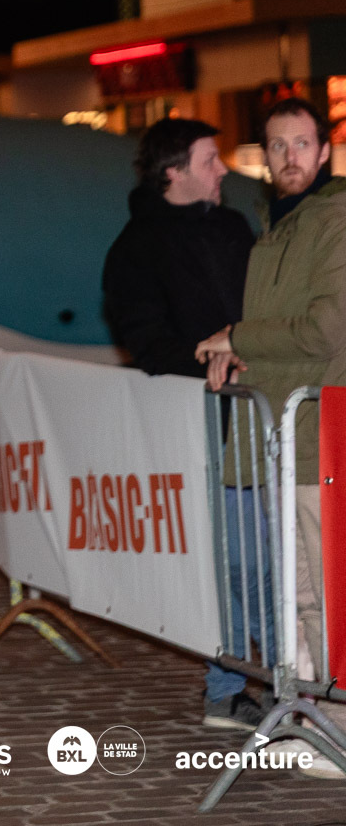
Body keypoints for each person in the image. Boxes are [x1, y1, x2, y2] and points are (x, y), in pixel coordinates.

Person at [198, 96, 346, 778]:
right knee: (303, 595)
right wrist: (242, 354)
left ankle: (339, 728)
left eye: (302, 144)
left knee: (329, 593)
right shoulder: (277, 226)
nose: (289, 157)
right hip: (285, 435)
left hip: (322, 435)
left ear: (325, 152)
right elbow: (285, 329)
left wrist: (239, 337)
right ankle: (318, 721)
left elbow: (327, 329)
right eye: (277, 145)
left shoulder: (335, 218)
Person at [101, 118, 264, 729]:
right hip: (201, 428)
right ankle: (230, 687)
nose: (223, 170)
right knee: (235, 564)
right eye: (209, 160)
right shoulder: (135, 250)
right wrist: (214, 360)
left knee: (270, 559)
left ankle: (278, 679)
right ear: (173, 173)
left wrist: (252, 348)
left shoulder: (233, 228)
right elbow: (147, 342)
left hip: (259, 417)